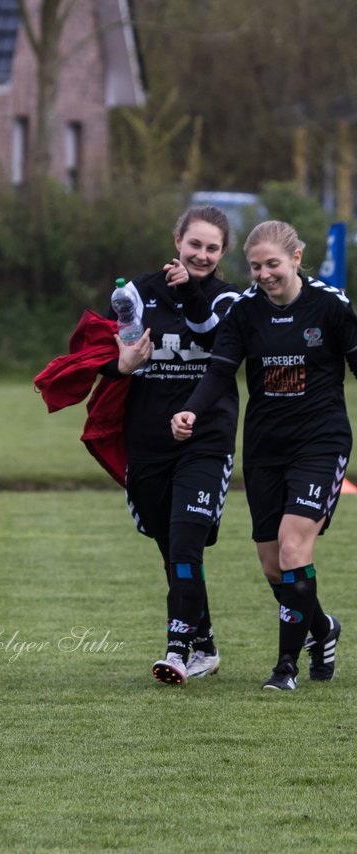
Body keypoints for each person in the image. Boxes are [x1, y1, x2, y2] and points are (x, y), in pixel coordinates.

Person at [172, 220, 354, 691]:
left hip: (320, 442)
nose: (264, 274)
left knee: (294, 548)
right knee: (274, 564)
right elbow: (220, 371)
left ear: (296, 258)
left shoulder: (330, 307)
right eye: (255, 266)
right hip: (264, 449)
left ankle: (285, 668)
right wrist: (189, 411)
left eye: (272, 263)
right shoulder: (245, 313)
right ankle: (322, 628)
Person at [101, 206, 241, 686]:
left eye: (212, 248)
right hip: (148, 444)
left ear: (223, 254)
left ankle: (177, 651)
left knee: (186, 544)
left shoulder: (227, 299)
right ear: (177, 240)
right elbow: (97, 353)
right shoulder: (137, 293)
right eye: (194, 244)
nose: (201, 254)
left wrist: (190, 290)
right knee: (171, 552)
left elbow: (219, 338)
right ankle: (204, 644)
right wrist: (120, 363)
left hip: (207, 442)